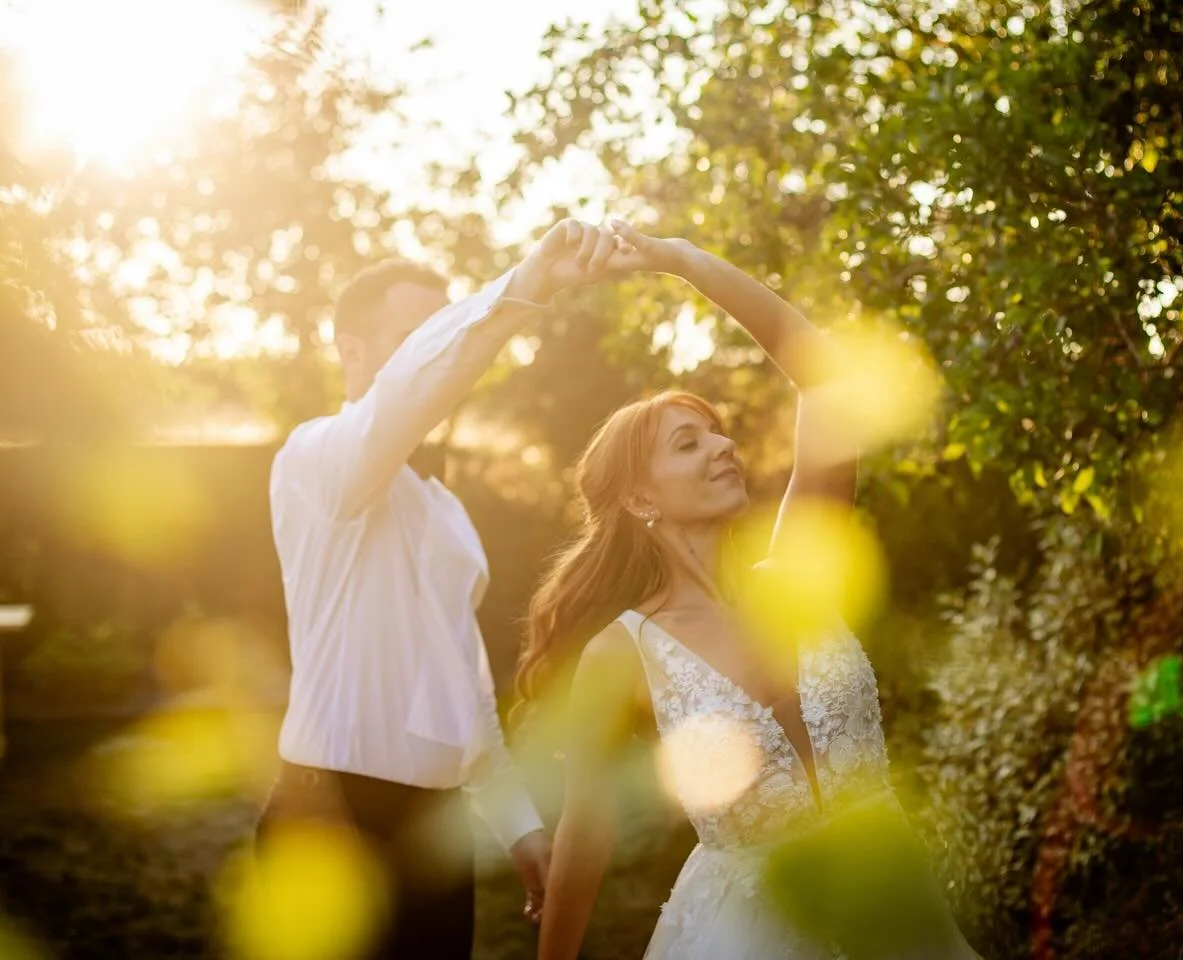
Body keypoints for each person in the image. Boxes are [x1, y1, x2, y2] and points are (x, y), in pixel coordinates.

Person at [520, 220, 982, 959]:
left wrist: (683, 260)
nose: (723, 446)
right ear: (639, 499)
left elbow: (826, 380)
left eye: (718, 432)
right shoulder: (623, 652)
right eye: (689, 443)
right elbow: (586, 829)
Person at [262, 219, 621, 958]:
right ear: (352, 351)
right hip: (325, 820)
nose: (439, 354)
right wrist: (525, 285)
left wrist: (516, 824)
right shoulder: (315, 459)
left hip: (436, 830)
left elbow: (463, 689)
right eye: (415, 337)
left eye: (442, 333)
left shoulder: (448, 513)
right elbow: (403, 399)